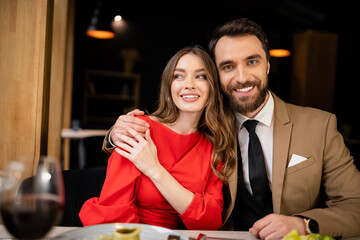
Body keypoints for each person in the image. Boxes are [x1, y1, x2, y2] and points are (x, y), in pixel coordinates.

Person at [102, 18, 360, 239]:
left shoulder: (319, 126)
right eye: (228, 66)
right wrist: (115, 134)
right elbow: (166, 131)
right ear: (216, 76)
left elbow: (356, 205)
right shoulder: (207, 129)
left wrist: (304, 225)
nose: (241, 77)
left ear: (268, 64)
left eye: (252, 62)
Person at [79, 45, 237, 230]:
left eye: (200, 76)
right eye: (178, 76)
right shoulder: (139, 128)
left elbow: (210, 221)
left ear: (213, 86)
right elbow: (113, 213)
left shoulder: (214, 146)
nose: (189, 84)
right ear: (169, 85)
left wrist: (155, 170)